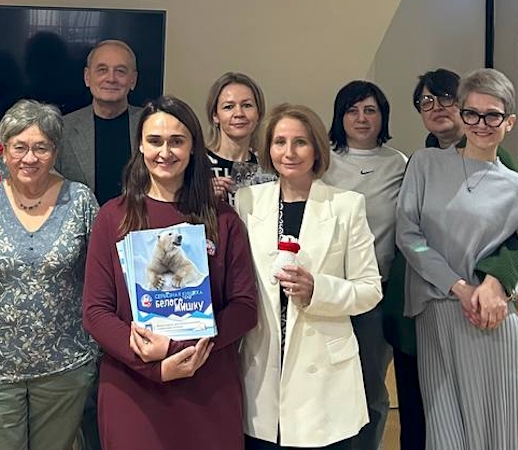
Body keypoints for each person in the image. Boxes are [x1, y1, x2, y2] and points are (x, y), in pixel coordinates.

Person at [82, 95, 258, 450]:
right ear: (140, 146)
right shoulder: (113, 218)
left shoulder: (223, 219)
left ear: (193, 147)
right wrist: (151, 364)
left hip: (207, 383)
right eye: (155, 141)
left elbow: (244, 308)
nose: (165, 152)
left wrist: (183, 347)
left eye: (177, 141)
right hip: (133, 387)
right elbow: (95, 312)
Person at [396, 68, 518, 450]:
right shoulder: (425, 164)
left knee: (501, 434)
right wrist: (460, 287)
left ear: (509, 122)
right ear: (462, 115)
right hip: (436, 315)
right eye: (472, 113)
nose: (481, 124)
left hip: (492, 322)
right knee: (445, 434)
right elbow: (410, 238)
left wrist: (501, 289)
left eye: (492, 115)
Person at [0, 99, 99, 450]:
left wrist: (95, 351)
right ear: (4, 150)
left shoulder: (81, 201)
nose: (30, 158)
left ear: (55, 151)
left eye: (41, 147)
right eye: (19, 147)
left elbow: (103, 281)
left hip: (65, 370)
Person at [236, 103, 382, 449]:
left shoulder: (346, 205)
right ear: (268, 148)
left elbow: (369, 289)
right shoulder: (247, 201)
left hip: (324, 376)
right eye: (280, 142)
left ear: (316, 148)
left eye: (300, 142)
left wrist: (318, 289)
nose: (289, 152)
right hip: (264, 365)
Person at [322, 81, 407, 450]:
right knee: (327, 384)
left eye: (370, 110)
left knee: (371, 386)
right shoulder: (322, 160)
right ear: (339, 117)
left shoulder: (398, 163)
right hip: (327, 293)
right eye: (352, 110)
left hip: (375, 293)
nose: (361, 118)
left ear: (382, 117)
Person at [57, 39, 143, 206]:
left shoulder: (150, 125)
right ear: (87, 77)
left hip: (141, 220)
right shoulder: (62, 130)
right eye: (102, 70)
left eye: (120, 71)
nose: (111, 78)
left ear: (133, 80)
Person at [205, 71, 269, 204]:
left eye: (247, 105)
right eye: (228, 107)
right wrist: (200, 197)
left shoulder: (268, 169)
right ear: (215, 116)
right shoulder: (196, 163)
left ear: (259, 113)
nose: (239, 113)